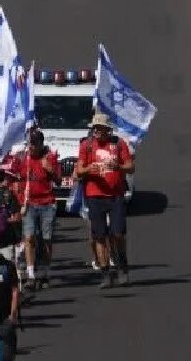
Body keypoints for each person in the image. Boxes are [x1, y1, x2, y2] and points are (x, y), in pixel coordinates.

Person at [76, 115, 135, 287]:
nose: (97, 132)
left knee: (117, 234)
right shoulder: (86, 145)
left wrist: (119, 167)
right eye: (95, 128)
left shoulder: (118, 144)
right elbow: (79, 170)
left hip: (116, 195)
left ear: (107, 129)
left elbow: (130, 166)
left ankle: (122, 266)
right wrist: (89, 169)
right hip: (95, 195)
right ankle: (105, 273)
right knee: (99, 236)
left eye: (101, 128)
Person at [9, 128, 59, 287]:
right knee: (29, 237)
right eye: (30, 143)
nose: (32, 147)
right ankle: (30, 274)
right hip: (29, 203)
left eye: (35, 144)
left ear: (41, 144)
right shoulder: (24, 158)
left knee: (46, 238)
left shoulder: (50, 157)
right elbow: (13, 175)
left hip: (47, 203)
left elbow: (58, 180)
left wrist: (49, 169)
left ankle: (45, 271)